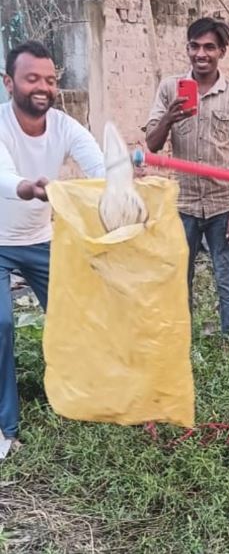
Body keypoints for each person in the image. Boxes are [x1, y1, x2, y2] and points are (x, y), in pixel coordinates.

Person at [0, 41, 105, 453]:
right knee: (2, 325)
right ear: (9, 83)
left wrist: (121, 180)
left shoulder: (64, 126)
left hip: (40, 240)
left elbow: (97, 166)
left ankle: (81, 395)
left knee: (74, 316)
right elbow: (5, 176)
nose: (43, 87)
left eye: (50, 79)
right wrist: (27, 187)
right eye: (32, 78)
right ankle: (5, 428)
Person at [146, 17, 229, 338]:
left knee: (226, 280)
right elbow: (151, 145)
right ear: (187, 49)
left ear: (221, 51)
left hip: (222, 205)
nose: (200, 54)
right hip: (184, 206)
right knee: (180, 280)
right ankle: (183, 345)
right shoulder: (169, 89)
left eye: (209, 47)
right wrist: (169, 117)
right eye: (194, 46)